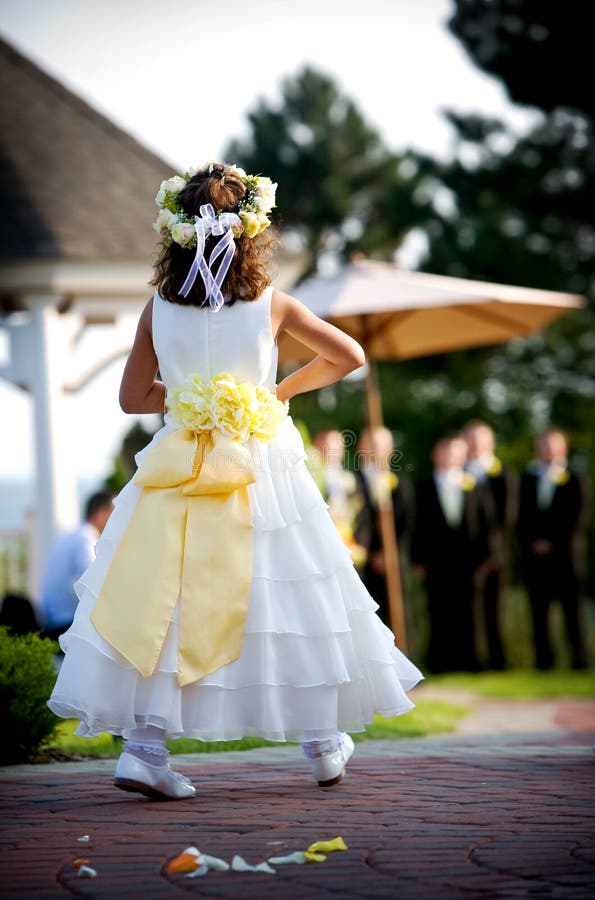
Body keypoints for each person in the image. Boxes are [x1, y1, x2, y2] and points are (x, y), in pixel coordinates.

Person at [48, 162, 423, 800]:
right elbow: (349, 356)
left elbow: (133, 398)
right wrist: (276, 390)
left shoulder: (156, 309)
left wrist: (194, 401)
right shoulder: (272, 303)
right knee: (289, 594)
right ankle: (323, 743)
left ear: (176, 234)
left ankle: (144, 749)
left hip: (181, 465)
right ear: (250, 234)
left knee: (161, 598)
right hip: (261, 464)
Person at [411, 434, 496, 673]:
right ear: (435, 455)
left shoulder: (475, 485)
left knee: (470, 611)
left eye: (456, 452)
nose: (450, 456)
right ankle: (439, 663)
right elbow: (416, 526)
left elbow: (487, 523)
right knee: (438, 611)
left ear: (463, 456)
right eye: (445, 451)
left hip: (468, 562)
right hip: (435, 562)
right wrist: (417, 559)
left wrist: (487, 556)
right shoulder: (423, 487)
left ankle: (471, 662)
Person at [517, 429, 588, 670]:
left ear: (563, 448)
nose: (548, 449)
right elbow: (520, 517)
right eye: (544, 445)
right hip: (535, 560)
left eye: (552, 445)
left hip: (566, 558)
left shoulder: (576, 478)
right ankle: (544, 663)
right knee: (539, 614)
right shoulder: (528, 479)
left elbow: (578, 517)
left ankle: (580, 661)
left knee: (573, 613)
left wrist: (551, 542)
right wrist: (533, 542)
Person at [463, 421, 517, 669]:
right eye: (470, 439)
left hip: (493, 554)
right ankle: (471, 660)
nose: (474, 444)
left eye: (479, 439)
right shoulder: (458, 474)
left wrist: (492, 552)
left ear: (491, 443)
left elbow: (506, 518)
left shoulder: (503, 475)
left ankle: (498, 662)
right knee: (467, 611)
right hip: (465, 554)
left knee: (494, 610)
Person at [354, 426, 415, 628]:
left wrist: (391, 552)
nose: (375, 449)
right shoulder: (350, 482)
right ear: (360, 447)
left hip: (393, 564)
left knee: (398, 621)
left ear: (389, 449)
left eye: (381, 445)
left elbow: (408, 523)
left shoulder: (401, 484)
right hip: (360, 567)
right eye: (370, 443)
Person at [40, 491, 114, 642]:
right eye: (115, 513)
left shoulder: (71, 535)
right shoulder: (86, 539)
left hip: (51, 620)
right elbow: (95, 584)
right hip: (66, 625)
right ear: (101, 514)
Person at [311, 429, 368, 570]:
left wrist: (359, 544)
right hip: (320, 548)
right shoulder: (311, 478)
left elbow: (363, 516)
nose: (334, 449)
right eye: (329, 444)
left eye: (338, 445)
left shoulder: (351, 479)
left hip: (348, 546)